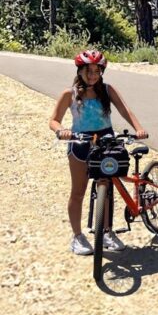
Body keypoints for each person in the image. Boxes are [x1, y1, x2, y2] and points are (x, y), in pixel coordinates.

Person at [48, 50, 148, 255]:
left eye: (97, 71)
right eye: (89, 71)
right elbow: (53, 120)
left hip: (106, 143)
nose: (93, 75)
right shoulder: (70, 93)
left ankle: (106, 232)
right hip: (80, 143)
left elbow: (125, 110)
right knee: (78, 192)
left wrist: (138, 128)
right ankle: (77, 237)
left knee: (107, 188)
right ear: (80, 71)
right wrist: (61, 131)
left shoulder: (108, 90)